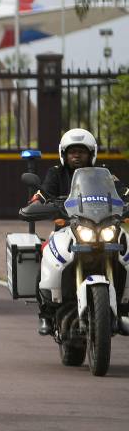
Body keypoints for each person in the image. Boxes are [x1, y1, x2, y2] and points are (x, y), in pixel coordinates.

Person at [26, 127, 128, 335]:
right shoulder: (56, 173)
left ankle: (124, 304)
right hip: (67, 229)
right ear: (64, 154)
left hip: (103, 226)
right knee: (47, 251)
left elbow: (122, 192)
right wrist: (37, 201)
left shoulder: (105, 174)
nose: (77, 155)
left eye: (82, 151)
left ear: (92, 154)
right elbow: (43, 192)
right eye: (72, 151)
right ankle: (46, 312)